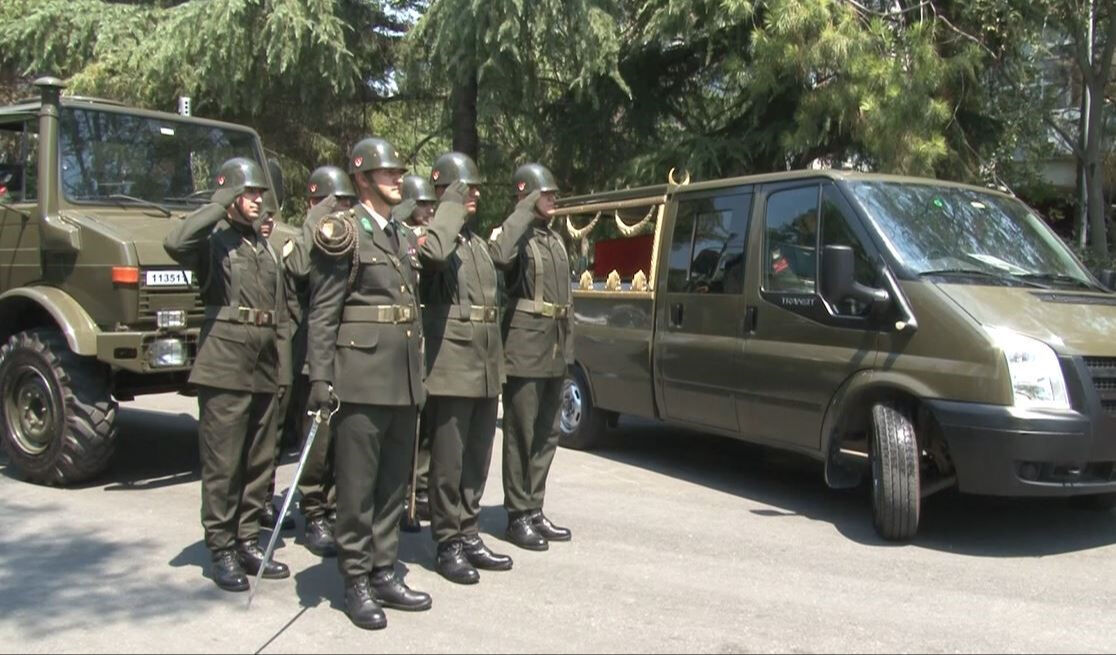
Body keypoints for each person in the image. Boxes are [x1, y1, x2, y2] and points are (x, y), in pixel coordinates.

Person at [305, 137, 430, 631]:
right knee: (356, 489)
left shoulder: (398, 233)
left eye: (399, 172)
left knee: (391, 486)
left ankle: (383, 570)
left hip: (400, 378)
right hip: (359, 379)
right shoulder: (345, 232)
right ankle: (355, 579)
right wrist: (320, 376)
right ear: (361, 180)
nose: (398, 179)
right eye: (387, 173)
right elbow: (324, 311)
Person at [163, 157, 291, 592]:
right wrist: (220, 202)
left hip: (264, 364)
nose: (258, 200)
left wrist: (284, 370)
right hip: (225, 363)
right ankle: (220, 547)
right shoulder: (213, 244)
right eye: (249, 192)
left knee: (259, 460)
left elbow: (282, 312)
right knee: (224, 463)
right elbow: (176, 241)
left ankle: (248, 540)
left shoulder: (264, 246)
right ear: (231, 195)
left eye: (259, 193)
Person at [417, 152, 524, 584]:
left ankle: (468, 529)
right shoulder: (431, 238)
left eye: (475, 188)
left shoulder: (477, 245)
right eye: (465, 187)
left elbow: (504, 258)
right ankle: (447, 542)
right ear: (443, 193)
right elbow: (436, 256)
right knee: (448, 461)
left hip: (483, 364)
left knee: (476, 457)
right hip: (450, 366)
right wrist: (449, 206)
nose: (474, 194)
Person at [269, 165, 357, 557]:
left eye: (348, 205)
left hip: (350, 353)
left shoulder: (349, 239)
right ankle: (314, 510)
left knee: (342, 440)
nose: (341, 213)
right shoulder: (300, 241)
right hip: (310, 356)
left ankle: (336, 506)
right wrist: (315, 218)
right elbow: (300, 267)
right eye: (334, 204)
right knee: (317, 442)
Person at [490, 162, 574, 551]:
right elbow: (500, 257)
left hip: (555, 343)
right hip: (524, 345)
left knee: (547, 432)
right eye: (546, 194)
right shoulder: (514, 235)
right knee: (521, 432)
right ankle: (517, 514)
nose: (554, 199)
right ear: (527, 196)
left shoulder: (554, 239)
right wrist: (522, 210)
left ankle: (534, 507)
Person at [396, 173, 438, 531]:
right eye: (422, 204)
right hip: (402, 340)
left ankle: (419, 489)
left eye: (431, 204)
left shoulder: (430, 239)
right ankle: (401, 495)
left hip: (427, 336)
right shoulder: (401, 238)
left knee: (424, 424)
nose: (428, 210)